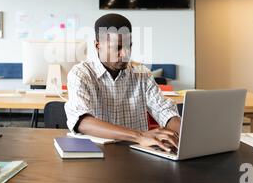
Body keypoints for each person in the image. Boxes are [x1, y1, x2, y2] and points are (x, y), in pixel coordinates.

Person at [65, 14, 181, 152]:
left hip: (136, 155)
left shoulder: (141, 73)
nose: (125, 53)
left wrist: (185, 135)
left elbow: (164, 110)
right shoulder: (81, 74)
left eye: (128, 46)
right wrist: (139, 136)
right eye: (118, 47)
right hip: (96, 155)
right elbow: (83, 122)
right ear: (98, 45)